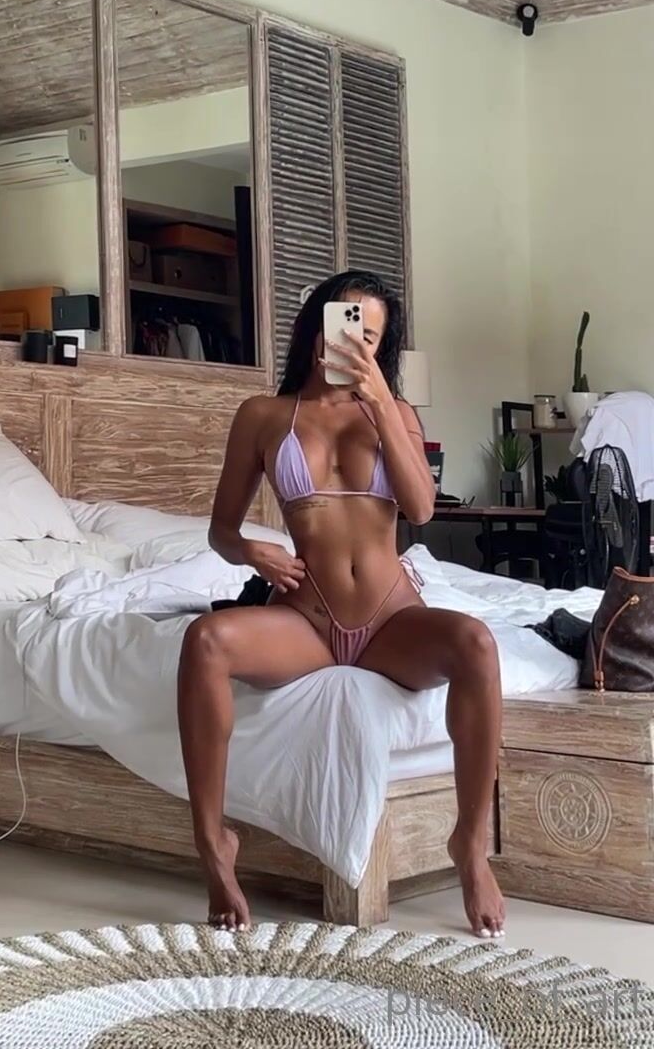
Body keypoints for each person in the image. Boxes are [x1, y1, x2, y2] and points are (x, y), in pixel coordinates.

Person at [178, 271, 505, 939]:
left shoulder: (396, 413)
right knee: (205, 641)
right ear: (317, 325)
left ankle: (470, 847)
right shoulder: (264, 416)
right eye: (346, 324)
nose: (355, 343)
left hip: (390, 620)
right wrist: (253, 552)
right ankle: (213, 842)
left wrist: (381, 402)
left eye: (372, 337)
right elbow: (221, 530)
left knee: (476, 643)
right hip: (308, 619)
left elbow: (420, 508)